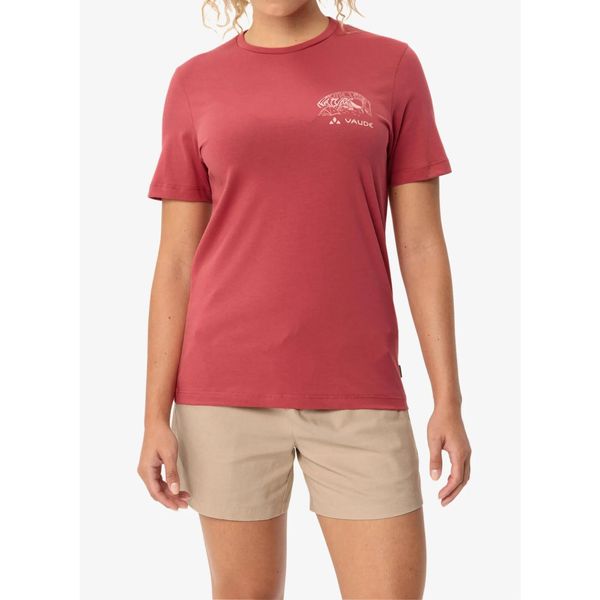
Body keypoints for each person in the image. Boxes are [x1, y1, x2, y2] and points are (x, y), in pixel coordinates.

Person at [137, 1, 471, 598]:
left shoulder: (393, 67)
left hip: (359, 391)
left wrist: (449, 398)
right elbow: (176, 262)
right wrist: (153, 415)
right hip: (225, 393)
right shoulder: (194, 83)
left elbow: (421, 245)